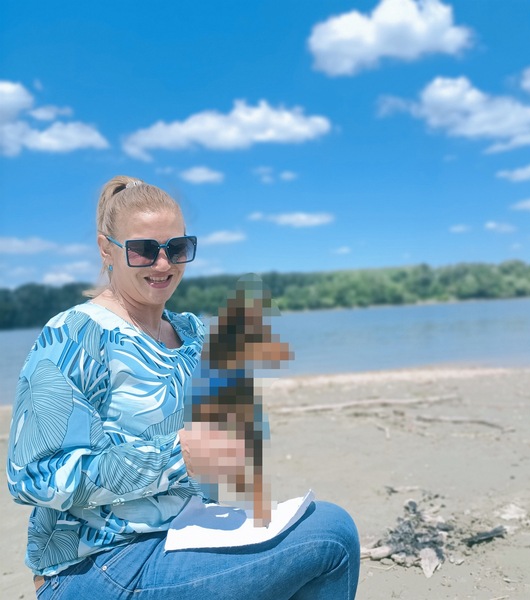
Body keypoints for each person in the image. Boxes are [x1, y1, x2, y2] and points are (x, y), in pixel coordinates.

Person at [6, 175, 360, 600]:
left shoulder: (192, 333)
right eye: (143, 250)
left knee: (307, 527)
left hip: (185, 537)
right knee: (332, 534)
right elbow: (33, 476)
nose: (163, 264)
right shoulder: (75, 335)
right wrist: (178, 457)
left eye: (176, 248)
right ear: (106, 250)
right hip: (100, 562)